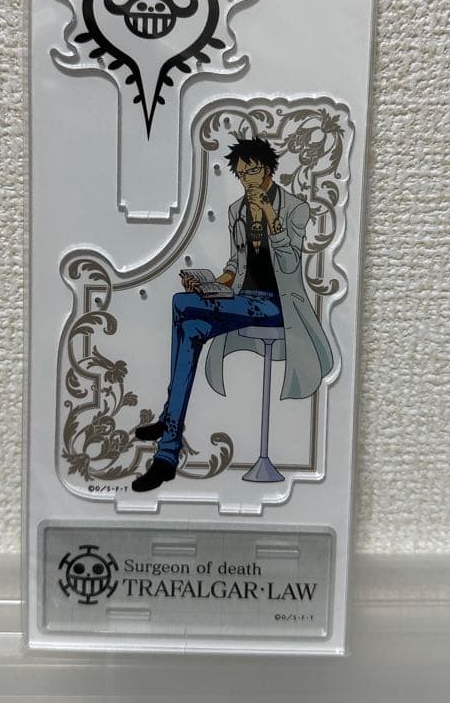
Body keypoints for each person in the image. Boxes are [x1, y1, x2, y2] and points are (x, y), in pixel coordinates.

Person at [131, 137, 333, 492]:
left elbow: (290, 265)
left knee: (181, 305)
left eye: (250, 172)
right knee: (191, 327)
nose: (245, 181)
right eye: (240, 175)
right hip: (242, 301)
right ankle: (167, 453)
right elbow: (235, 265)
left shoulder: (295, 208)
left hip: (279, 306)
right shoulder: (236, 210)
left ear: (267, 169)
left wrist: (271, 217)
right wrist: (210, 284)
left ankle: (168, 421)